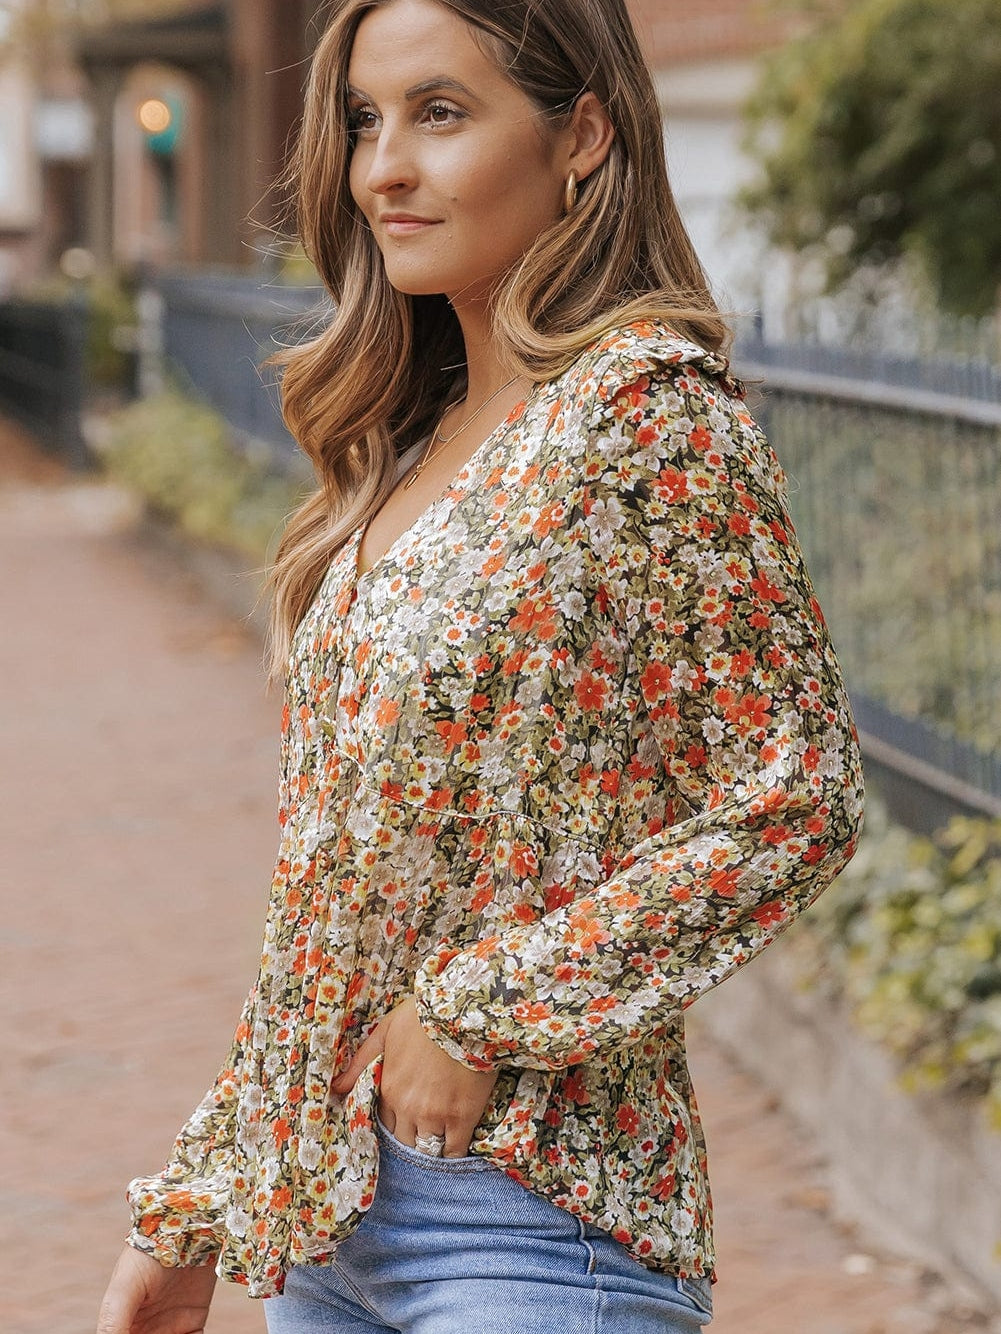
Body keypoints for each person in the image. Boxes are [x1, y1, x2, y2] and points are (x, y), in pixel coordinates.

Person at [97, 0, 865, 1330]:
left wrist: (478, 1015)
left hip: (535, 1226)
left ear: (583, 135)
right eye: (364, 121)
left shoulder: (646, 414)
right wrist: (202, 1196)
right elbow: (336, 890)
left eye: (439, 114)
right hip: (328, 1225)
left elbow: (801, 792)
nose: (383, 168)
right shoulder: (412, 441)